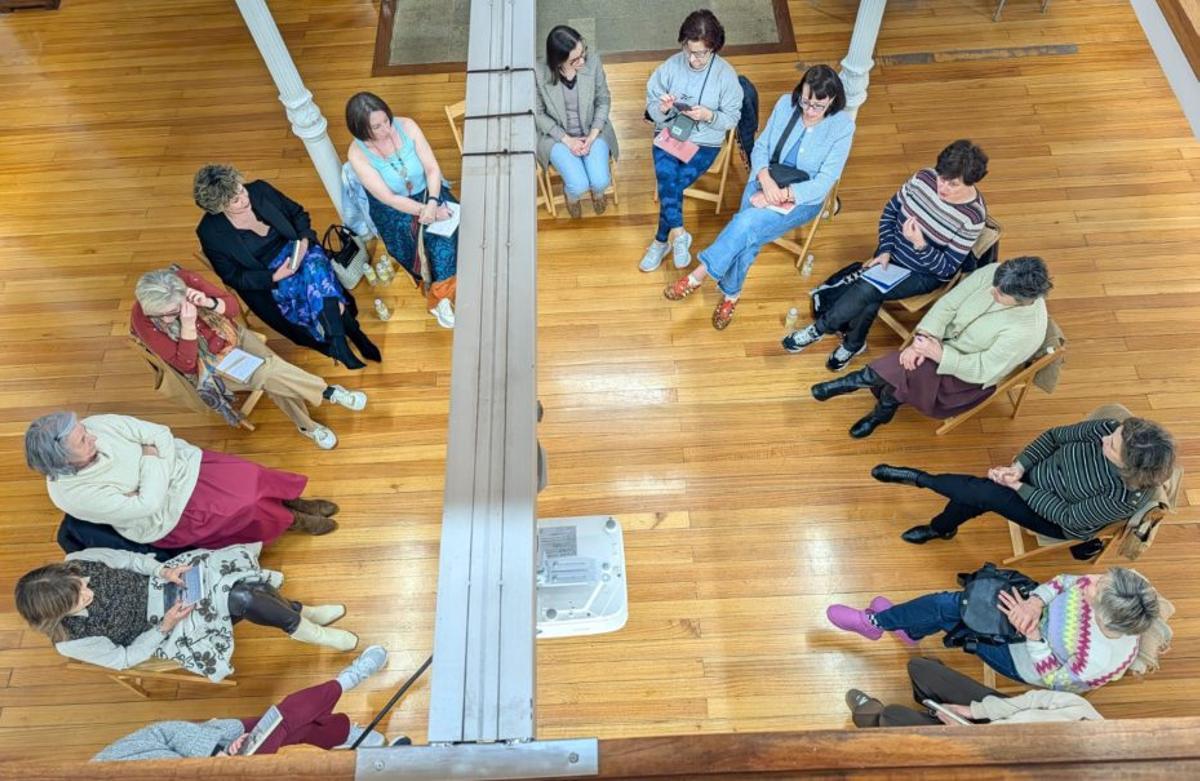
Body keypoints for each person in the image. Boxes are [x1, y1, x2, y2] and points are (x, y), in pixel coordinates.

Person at [663, 64, 854, 330]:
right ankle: (731, 294)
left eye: (817, 106)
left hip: (800, 198)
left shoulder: (842, 126)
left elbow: (824, 181)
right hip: (765, 178)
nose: (809, 111)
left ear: (832, 101)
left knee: (746, 224)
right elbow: (761, 146)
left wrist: (779, 195)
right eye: (806, 101)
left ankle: (699, 274)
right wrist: (764, 179)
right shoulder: (786, 105)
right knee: (748, 236)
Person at [15, 544, 360, 683]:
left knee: (239, 583)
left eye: (81, 583)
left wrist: (162, 572)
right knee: (242, 596)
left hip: (164, 581)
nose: (88, 592)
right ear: (60, 616)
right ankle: (310, 627)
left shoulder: (80, 558)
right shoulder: (71, 641)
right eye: (80, 601)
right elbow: (125, 658)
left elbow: (130, 560)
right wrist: (165, 625)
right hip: (163, 630)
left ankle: (300, 616)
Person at [783, 140, 989, 369]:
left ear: (972, 182)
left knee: (868, 287)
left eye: (953, 184)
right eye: (941, 178)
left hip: (922, 273)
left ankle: (819, 330)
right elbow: (890, 212)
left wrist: (920, 244)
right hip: (892, 255)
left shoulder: (972, 217)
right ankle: (853, 344)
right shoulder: (923, 179)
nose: (942, 187)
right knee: (872, 292)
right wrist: (885, 249)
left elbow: (946, 269)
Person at [26, 411, 340, 551]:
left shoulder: (95, 426)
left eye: (84, 429)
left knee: (252, 474)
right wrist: (150, 457)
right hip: (172, 514)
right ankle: (295, 520)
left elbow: (159, 433)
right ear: (64, 460)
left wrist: (148, 473)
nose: (93, 435)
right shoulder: (71, 494)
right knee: (246, 504)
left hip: (186, 466)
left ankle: (295, 502)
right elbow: (148, 506)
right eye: (83, 441)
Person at [827, 567, 1173, 694]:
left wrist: (1035, 636)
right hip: (1033, 614)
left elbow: (1053, 681)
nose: (1090, 582)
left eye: (1096, 589)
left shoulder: (1097, 660)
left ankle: (876, 623)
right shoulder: (1129, 585)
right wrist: (1036, 603)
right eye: (1101, 578)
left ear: (1103, 618)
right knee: (954, 604)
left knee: (955, 612)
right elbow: (1067, 581)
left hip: (1028, 657)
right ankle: (900, 628)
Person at [810, 257, 1051, 438]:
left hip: (962, 376)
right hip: (936, 343)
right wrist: (923, 338)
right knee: (908, 365)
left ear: (1022, 301)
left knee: (907, 370)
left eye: (998, 293)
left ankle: (856, 385)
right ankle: (879, 411)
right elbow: (948, 304)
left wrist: (939, 354)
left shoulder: (1027, 332)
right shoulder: (994, 274)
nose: (991, 290)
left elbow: (982, 369)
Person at [132, 268, 366, 449]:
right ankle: (327, 391)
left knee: (273, 376)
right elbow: (186, 364)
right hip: (211, 364)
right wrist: (186, 326)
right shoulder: (143, 320)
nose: (170, 317)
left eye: (175, 310)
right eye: (166, 315)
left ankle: (307, 426)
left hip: (232, 335)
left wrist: (208, 302)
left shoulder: (184, 280)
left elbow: (233, 308)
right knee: (269, 372)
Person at [871, 415, 1176, 547]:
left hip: (1054, 516)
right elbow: (1056, 437)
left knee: (986, 494)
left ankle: (921, 481)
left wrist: (1018, 487)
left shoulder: (1120, 498)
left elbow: (1066, 515)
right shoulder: (1109, 429)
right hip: (1034, 475)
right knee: (979, 495)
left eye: (1112, 445)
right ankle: (939, 522)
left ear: (1127, 466)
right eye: (1114, 433)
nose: (1105, 438)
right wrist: (1019, 467)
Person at [194, 164, 378, 369]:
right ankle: (356, 336)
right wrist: (274, 276)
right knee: (319, 283)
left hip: (299, 249)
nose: (245, 199)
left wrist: (305, 243)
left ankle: (339, 344)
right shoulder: (210, 233)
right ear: (219, 206)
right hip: (269, 276)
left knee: (314, 266)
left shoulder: (260, 190)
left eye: (242, 190)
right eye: (236, 200)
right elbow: (233, 277)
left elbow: (298, 214)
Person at [93, 646, 391, 759]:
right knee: (284, 719)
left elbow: (160, 733)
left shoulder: (99, 768)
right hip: (237, 771)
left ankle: (344, 730)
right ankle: (348, 681)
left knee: (288, 724)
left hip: (215, 742)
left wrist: (216, 753)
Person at [640, 10, 743, 273]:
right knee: (668, 177)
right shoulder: (671, 66)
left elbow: (731, 118)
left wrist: (708, 115)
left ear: (714, 48)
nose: (693, 59)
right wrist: (661, 109)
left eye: (700, 53)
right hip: (670, 131)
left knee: (669, 184)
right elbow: (651, 108)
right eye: (688, 50)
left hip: (704, 141)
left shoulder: (725, 75)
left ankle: (661, 240)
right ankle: (678, 233)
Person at [346, 91, 458, 329]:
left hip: (429, 192)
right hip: (394, 209)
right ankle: (443, 295)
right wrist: (424, 212)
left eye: (386, 120)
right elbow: (389, 198)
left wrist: (433, 203)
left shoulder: (407, 126)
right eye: (377, 127)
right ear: (361, 130)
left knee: (448, 233)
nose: (386, 128)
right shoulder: (357, 155)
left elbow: (432, 169)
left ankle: (440, 296)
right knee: (427, 240)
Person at [846, 657, 1103, 728]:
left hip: (981, 749)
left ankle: (869, 718)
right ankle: (931, 709)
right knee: (921, 668)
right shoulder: (1089, 718)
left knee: (889, 717)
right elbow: (1037, 699)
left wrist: (967, 734)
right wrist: (974, 711)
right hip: (1001, 714)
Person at [534, 25, 618, 218]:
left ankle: (598, 193)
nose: (582, 61)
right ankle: (571, 196)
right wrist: (567, 140)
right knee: (578, 184)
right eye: (575, 59)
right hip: (557, 137)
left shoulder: (593, 62)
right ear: (558, 61)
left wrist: (593, 135)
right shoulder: (539, 73)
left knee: (600, 181)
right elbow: (538, 114)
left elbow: (603, 100)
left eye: (583, 53)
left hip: (593, 131)